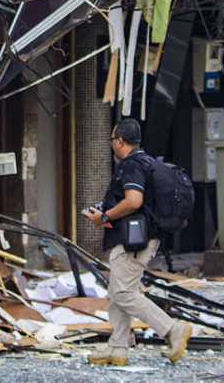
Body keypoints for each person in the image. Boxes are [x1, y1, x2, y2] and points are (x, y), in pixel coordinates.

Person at [82, 118, 192, 366]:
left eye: (112, 139)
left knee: (123, 293)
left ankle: (172, 329)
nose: (112, 144)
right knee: (115, 294)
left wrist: (105, 217)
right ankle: (117, 349)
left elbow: (134, 201)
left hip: (134, 242)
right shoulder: (145, 162)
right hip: (135, 238)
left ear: (120, 140)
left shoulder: (131, 165)